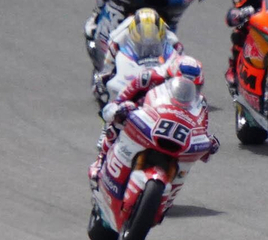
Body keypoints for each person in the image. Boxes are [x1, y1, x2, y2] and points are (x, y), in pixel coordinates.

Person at [93, 55, 218, 183]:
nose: (185, 91)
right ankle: (100, 162)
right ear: (169, 77)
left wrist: (209, 144)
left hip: (174, 131)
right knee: (119, 119)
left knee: (187, 161)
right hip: (143, 118)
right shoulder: (147, 78)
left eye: (193, 88)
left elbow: (201, 130)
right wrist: (119, 110)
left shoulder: (200, 102)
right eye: (181, 84)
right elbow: (120, 99)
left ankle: (171, 188)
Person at [94, 8, 183, 99]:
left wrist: (179, 67)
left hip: (157, 53)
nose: (148, 41)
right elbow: (112, 48)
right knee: (105, 77)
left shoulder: (168, 34)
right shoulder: (122, 34)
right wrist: (107, 70)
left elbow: (179, 50)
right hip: (133, 50)